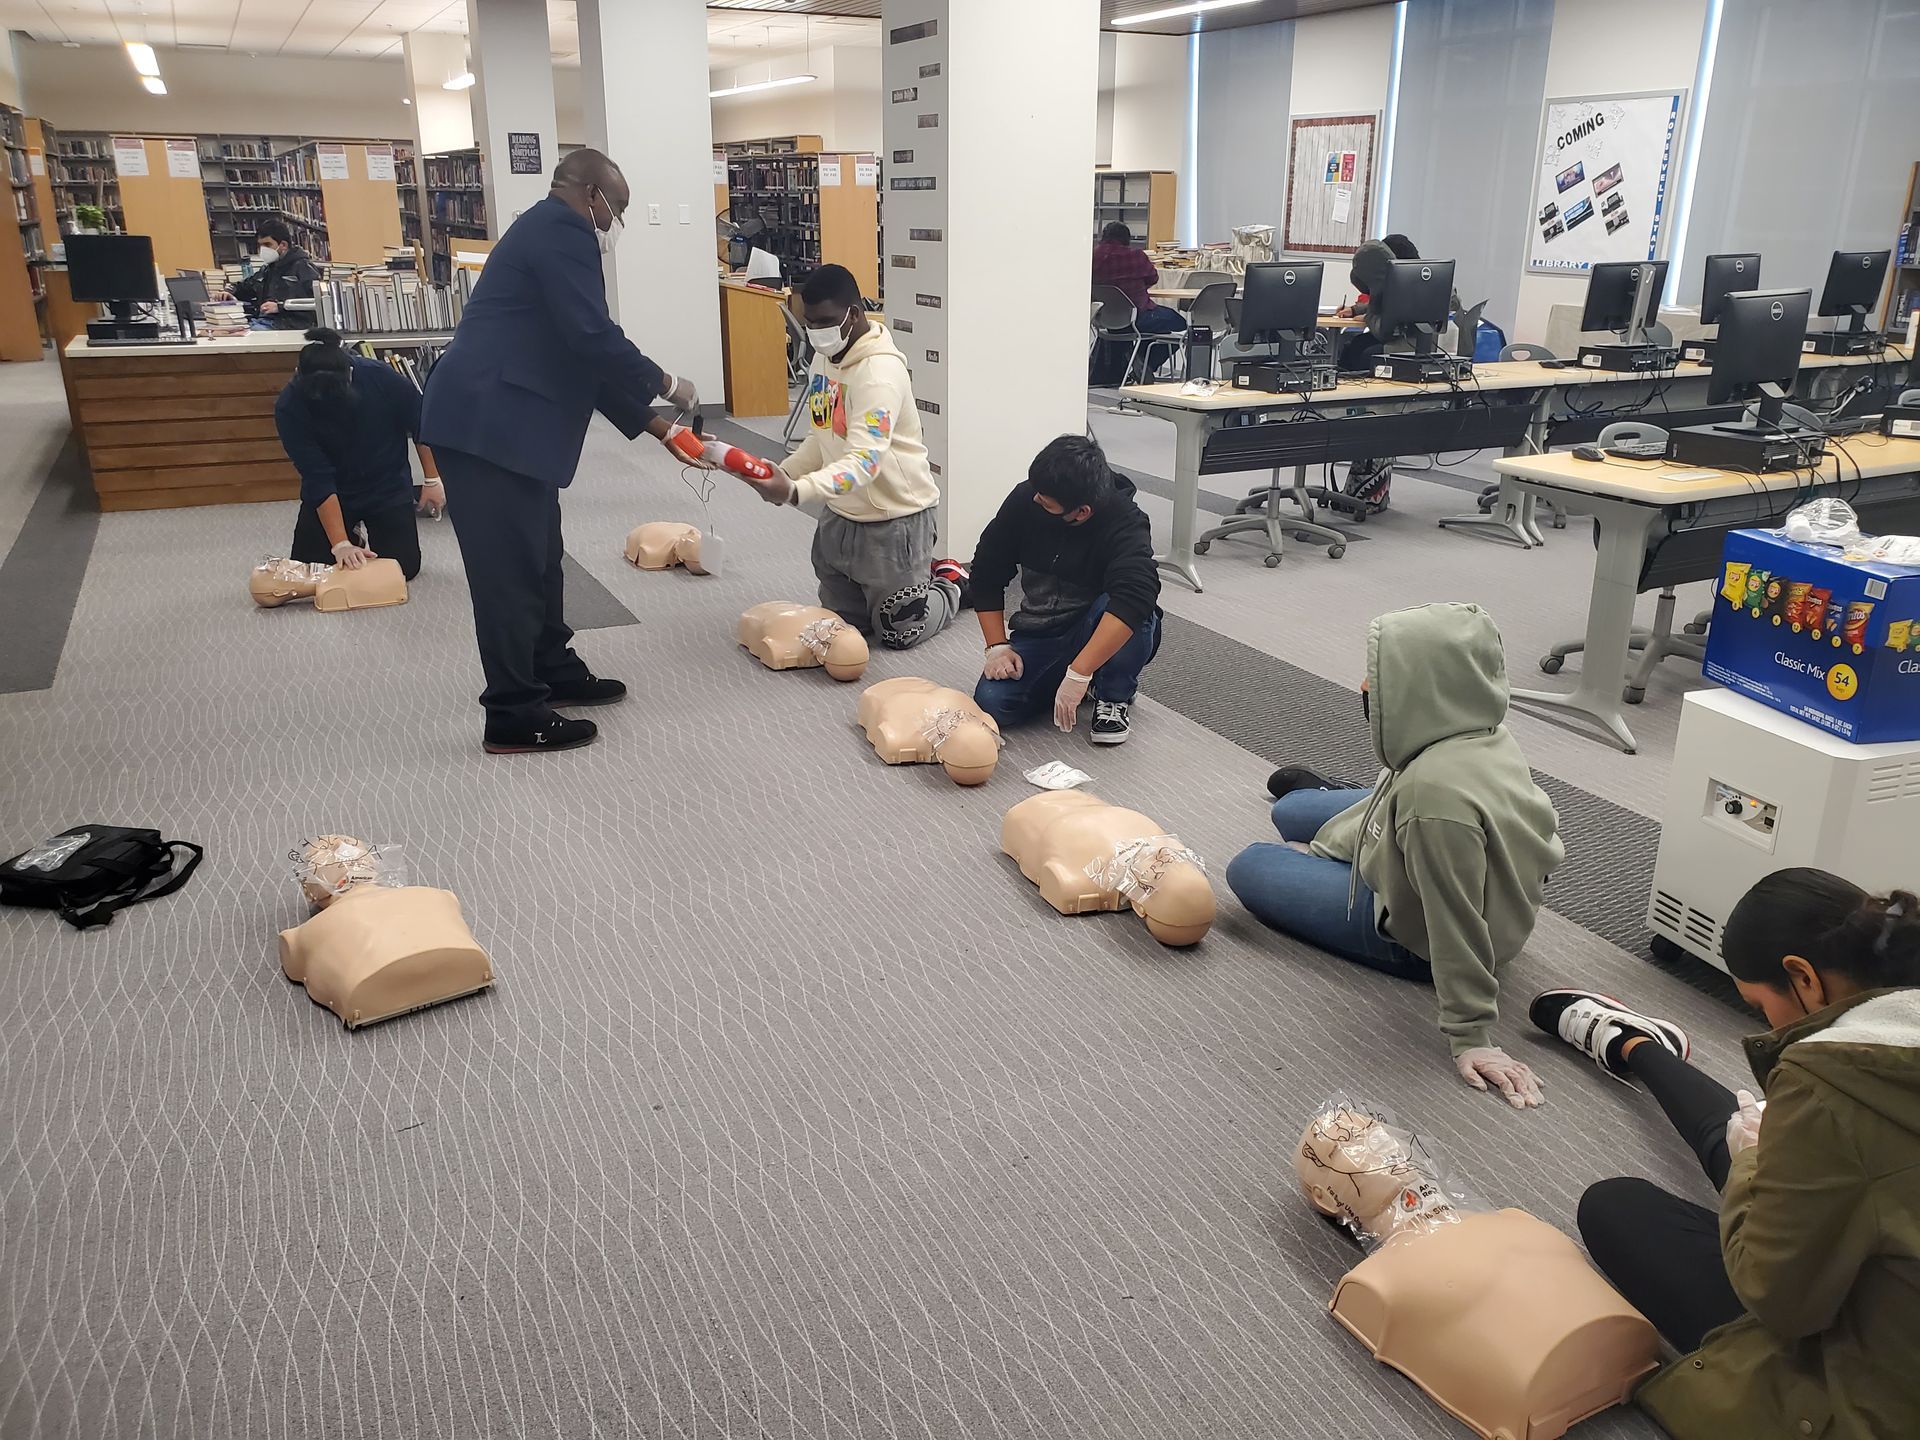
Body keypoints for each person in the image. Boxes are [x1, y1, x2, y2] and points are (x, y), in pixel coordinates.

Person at [1531, 869, 1920, 1438]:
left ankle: (1636, 1047)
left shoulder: (1830, 1093)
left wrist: (1757, 1164)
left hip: (1870, 1385)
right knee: (1747, 1133)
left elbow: (1781, 1304)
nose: (1765, 1022)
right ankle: (1639, 1047)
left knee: (1620, 1204)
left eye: (1759, 1005)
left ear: (1803, 978)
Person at [419, 148, 705, 756]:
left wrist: (663, 431)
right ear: (590, 193)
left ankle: (552, 667)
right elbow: (593, 338)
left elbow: (580, 356)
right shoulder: (562, 230)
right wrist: (665, 381)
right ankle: (513, 713)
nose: (613, 224)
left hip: (507, 423)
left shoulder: (543, 229)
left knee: (542, 559)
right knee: (509, 575)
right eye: (616, 209)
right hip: (489, 425)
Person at [1226, 603, 1565, 1106]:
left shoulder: (1435, 798)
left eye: (1380, 677)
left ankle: (1359, 839)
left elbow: (1454, 916)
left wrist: (1471, 1034)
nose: (1366, 686)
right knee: (1291, 810)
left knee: (1249, 864)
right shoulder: (1478, 724)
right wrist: (1325, 847)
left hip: (1414, 934)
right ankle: (1346, 819)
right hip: (1426, 844)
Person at [732, 264, 962, 650]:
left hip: (895, 521)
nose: (815, 333)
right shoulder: (827, 359)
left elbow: (864, 463)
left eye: (825, 321)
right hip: (840, 519)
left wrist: (794, 491)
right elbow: (821, 437)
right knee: (842, 631)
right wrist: (784, 472)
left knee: (897, 632)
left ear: (853, 314)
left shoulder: (878, 374)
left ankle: (952, 584)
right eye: (809, 322)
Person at [968, 435, 1161, 745]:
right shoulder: (1026, 499)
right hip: (1043, 631)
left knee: (1134, 605)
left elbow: (1134, 597)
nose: (1035, 501)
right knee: (993, 702)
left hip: (1096, 624)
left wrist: (1079, 673)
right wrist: (996, 647)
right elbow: (986, 571)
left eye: (1045, 502)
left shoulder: (1125, 521)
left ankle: (1112, 693)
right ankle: (1076, 675)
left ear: (1081, 512)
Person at [274, 327, 440, 580]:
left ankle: (362, 538)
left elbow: (420, 425)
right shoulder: (290, 405)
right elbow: (316, 475)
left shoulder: (383, 379)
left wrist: (432, 479)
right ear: (299, 377)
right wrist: (340, 543)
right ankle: (350, 537)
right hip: (335, 491)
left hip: (386, 486)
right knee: (314, 569)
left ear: (350, 373)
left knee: (403, 569)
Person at [1091, 221, 1184, 384]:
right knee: (1178, 323)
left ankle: (1135, 358)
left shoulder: (1093, 256)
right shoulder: (1136, 256)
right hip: (1137, 316)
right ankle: (1145, 361)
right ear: (1126, 238)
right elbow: (1153, 278)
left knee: (1151, 327)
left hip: (1105, 319)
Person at [229, 217, 320, 330]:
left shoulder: (303, 267)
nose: (262, 250)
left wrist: (280, 306)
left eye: (267, 245)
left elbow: (317, 302)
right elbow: (246, 286)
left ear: (283, 245)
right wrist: (229, 291)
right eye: (260, 245)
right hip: (264, 321)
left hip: (289, 325)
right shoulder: (268, 269)